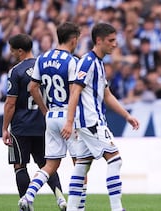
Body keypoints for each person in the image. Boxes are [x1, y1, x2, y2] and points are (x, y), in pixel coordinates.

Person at [61, 23, 140, 211]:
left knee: (81, 166)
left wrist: (127, 116)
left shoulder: (99, 63)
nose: (115, 44)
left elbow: (107, 95)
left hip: (89, 122)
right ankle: (117, 208)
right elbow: (75, 92)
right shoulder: (87, 62)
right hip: (91, 122)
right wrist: (69, 122)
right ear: (99, 41)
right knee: (115, 160)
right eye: (111, 40)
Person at [17, 22, 85, 211]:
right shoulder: (72, 61)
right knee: (80, 164)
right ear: (74, 39)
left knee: (50, 165)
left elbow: (32, 87)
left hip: (52, 115)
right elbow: (74, 93)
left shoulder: (42, 58)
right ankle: (77, 207)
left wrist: (45, 110)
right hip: (68, 116)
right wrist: (71, 121)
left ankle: (28, 196)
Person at [1, 34, 66, 210]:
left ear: (20, 51)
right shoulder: (43, 67)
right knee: (47, 165)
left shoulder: (16, 71)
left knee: (19, 165)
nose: (11, 53)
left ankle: (26, 202)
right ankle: (60, 197)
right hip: (44, 125)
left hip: (21, 127)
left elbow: (10, 103)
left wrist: (5, 128)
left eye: (12, 50)